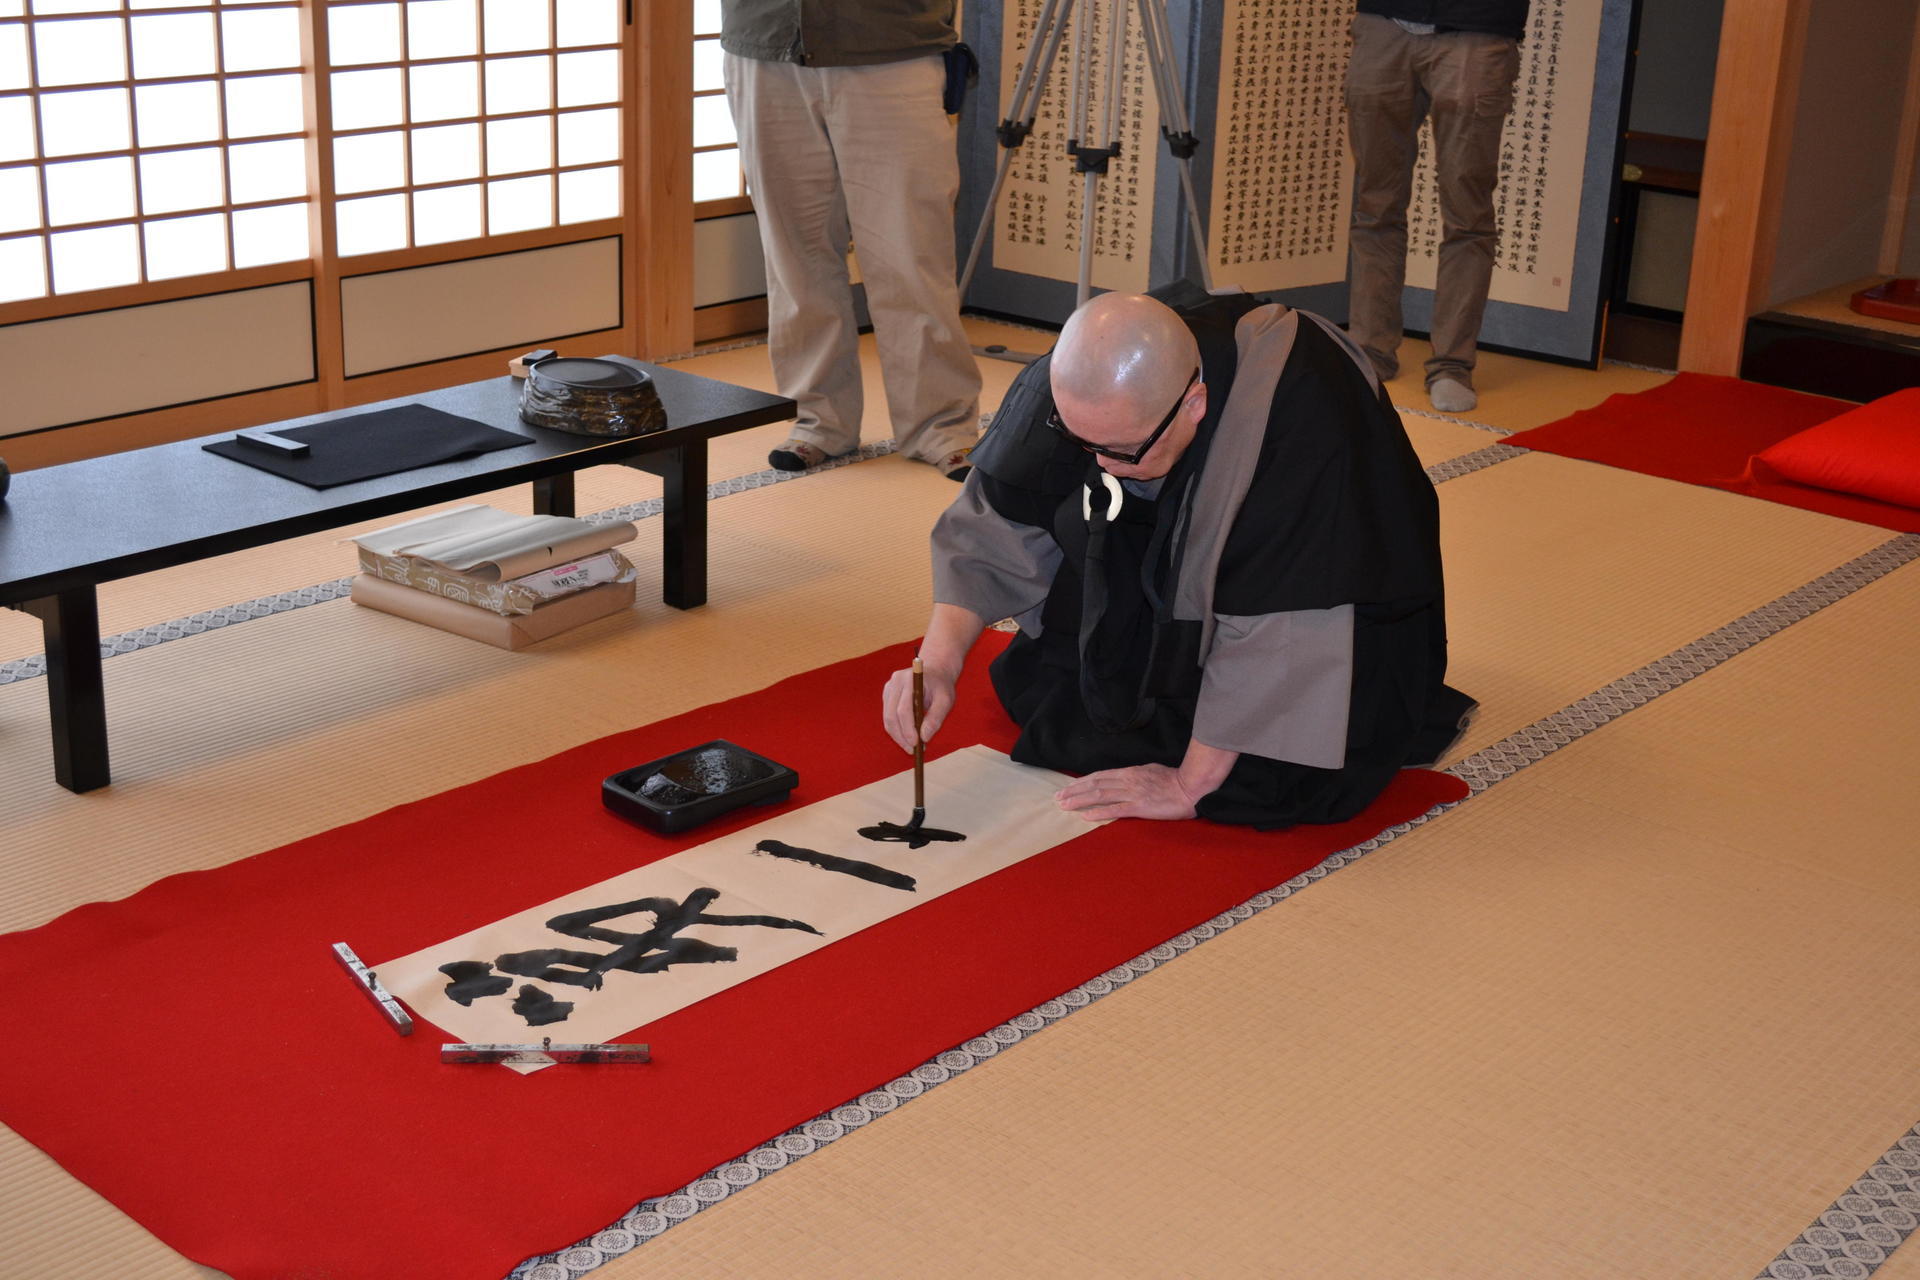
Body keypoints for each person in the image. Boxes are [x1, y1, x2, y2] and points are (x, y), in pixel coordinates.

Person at [881, 285, 1475, 829]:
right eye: (1083, 444)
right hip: (1175, 576)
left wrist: (1190, 786)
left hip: (1308, 625)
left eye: (1119, 450)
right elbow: (996, 525)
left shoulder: (1303, 424)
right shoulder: (1074, 384)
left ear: (1195, 403)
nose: (1103, 464)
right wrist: (937, 660)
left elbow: (1284, 616)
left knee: (1283, 778)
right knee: (1064, 697)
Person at [720, 0, 982, 481]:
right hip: (764, 42)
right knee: (794, 255)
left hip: (892, 45)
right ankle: (820, 421)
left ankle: (941, 425)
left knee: (912, 253)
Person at [1344, 1, 1528, 415]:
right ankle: (1369, 351)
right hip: (1383, 24)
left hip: (1477, 29)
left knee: (1467, 215)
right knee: (1375, 205)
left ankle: (1451, 366)